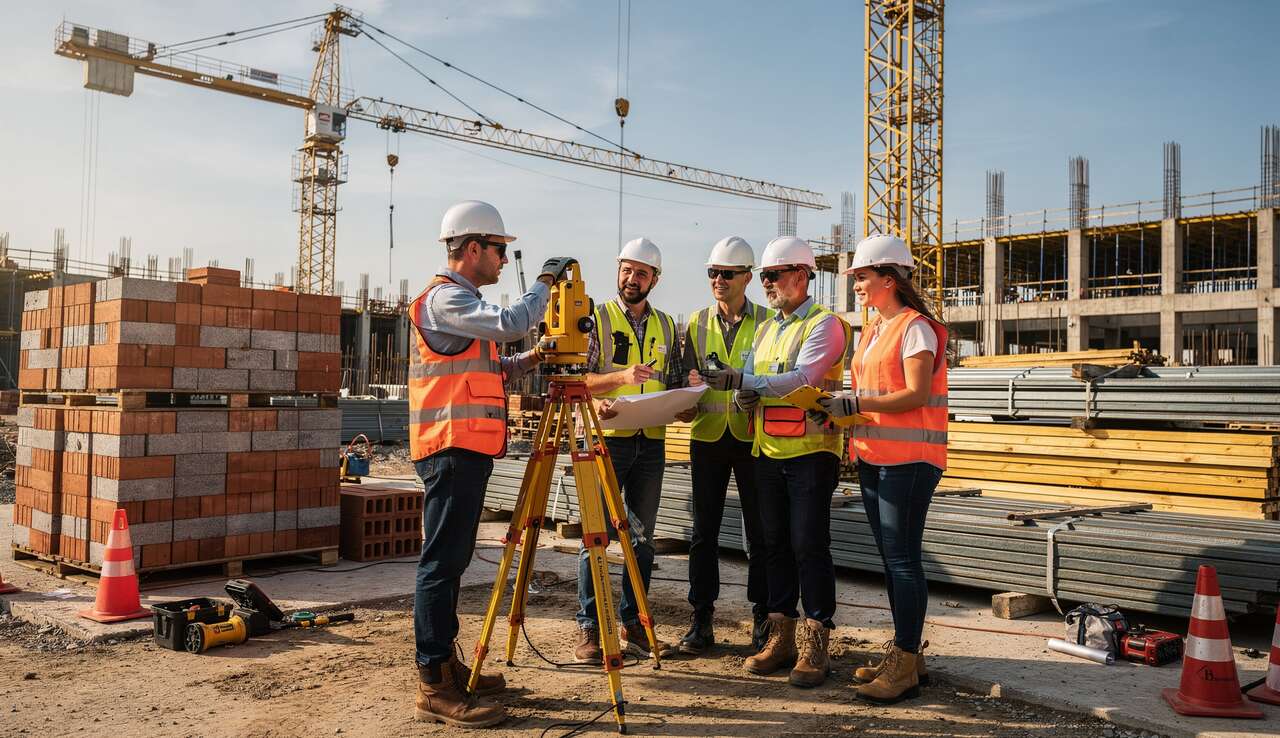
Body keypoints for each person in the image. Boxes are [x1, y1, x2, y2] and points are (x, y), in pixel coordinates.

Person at [409, 200, 575, 727]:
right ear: (474, 247)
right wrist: (545, 281)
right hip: (450, 448)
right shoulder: (444, 298)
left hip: (466, 449)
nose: (504, 259)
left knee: (453, 562)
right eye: (500, 249)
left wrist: (533, 358)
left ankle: (446, 665)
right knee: (441, 565)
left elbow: (490, 365)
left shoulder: (462, 305)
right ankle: (433, 683)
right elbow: (510, 322)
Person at [699, 236, 849, 689]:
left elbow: (803, 379)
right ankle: (780, 635)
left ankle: (816, 640)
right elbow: (757, 382)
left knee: (809, 545)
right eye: (763, 277)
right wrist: (743, 396)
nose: (766, 284)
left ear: (801, 275)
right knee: (773, 545)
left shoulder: (825, 325)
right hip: (767, 451)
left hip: (811, 454)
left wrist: (744, 382)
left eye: (773, 275)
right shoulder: (767, 329)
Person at [817, 233, 948, 704]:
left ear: (889, 279)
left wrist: (855, 403)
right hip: (875, 457)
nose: (855, 284)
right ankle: (906, 654)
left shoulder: (916, 328)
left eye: (862, 276)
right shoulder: (874, 328)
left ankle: (906, 662)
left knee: (903, 561)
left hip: (910, 462)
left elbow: (914, 394)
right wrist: (838, 408)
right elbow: (871, 393)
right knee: (893, 562)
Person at [572, 237, 685, 664]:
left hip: (650, 442)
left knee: (642, 540)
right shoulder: (596, 319)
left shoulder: (667, 326)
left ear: (655, 279)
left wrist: (686, 395)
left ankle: (633, 623)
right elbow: (577, 379)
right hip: (605, 440)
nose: (631, 279)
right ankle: (589, 627)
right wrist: (617, 380)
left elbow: (674, 381)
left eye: (641, 272)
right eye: (626, 270)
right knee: (595, 536)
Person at [676, 236, 774, 656]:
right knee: (704, 534)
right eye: (713, 272)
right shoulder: (696, 323)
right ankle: (701, 619)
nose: (718, 279)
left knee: (761, 534)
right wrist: (687, 393)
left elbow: (773, 378)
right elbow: (685, 381)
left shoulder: (768, 322)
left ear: (747, 277)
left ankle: (763, 618)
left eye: (727, 274)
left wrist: (757, 394)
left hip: (753, 439)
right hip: (708, 437)